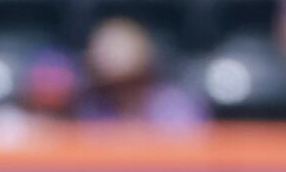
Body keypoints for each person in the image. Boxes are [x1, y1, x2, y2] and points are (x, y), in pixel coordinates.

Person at [79, 18, 207, 125]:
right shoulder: (93, 107)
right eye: (113, 86)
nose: (122, 91)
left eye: (130, 82)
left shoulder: (174, 105)